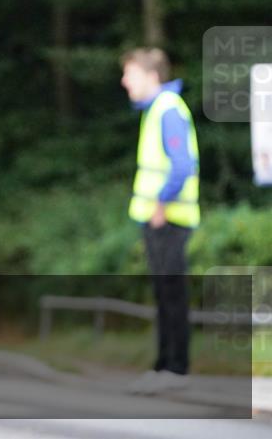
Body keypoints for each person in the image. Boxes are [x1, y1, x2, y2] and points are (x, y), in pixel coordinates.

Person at [120, 48, 199, 395]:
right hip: (162, 219)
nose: (125, 81)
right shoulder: (157, 110)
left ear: (152, 76)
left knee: (171, 295)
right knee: (164, 294)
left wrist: (161, 204)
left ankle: (175, 368)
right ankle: (164, 365)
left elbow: (182, 166)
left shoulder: (167, 110)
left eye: (130, 73)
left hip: (168, 219)